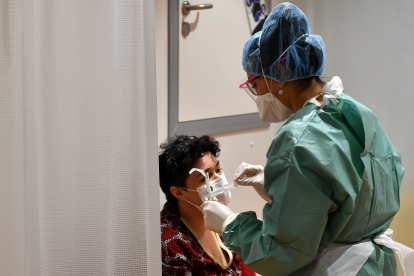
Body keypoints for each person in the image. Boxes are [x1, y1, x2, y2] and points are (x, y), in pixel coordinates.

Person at [202, 2, 414, 276]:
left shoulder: (297, 139)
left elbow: (281, 252)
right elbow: (351, 190)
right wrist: (278, 183)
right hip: (375, 266)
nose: (256, 93)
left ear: (277, 75)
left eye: (255, 84)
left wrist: (230, 224)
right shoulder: (353, 111)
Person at [159, 135, 256, 276]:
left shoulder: (219, 216)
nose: (218, 179)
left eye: (218, 170)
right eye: (206, 177)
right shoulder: (170, 243)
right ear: (179, 192)